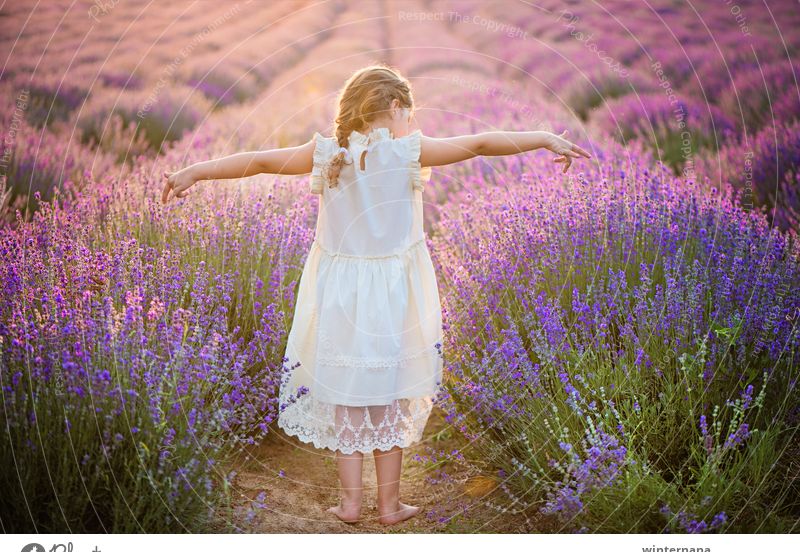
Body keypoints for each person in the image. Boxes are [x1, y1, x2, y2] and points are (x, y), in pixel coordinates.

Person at [161, 63, 591, 526]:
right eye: (410, 112)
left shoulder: (327, 152)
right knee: (390, 393)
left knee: (347, 393)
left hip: (339, 292)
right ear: (395, 106)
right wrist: (545, 136)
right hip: (394, 294)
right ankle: (389, 506)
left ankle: (349, 504)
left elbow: (260, 161)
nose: (412, 121)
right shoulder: (409, 151)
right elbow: (483, 143)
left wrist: (195, 171)